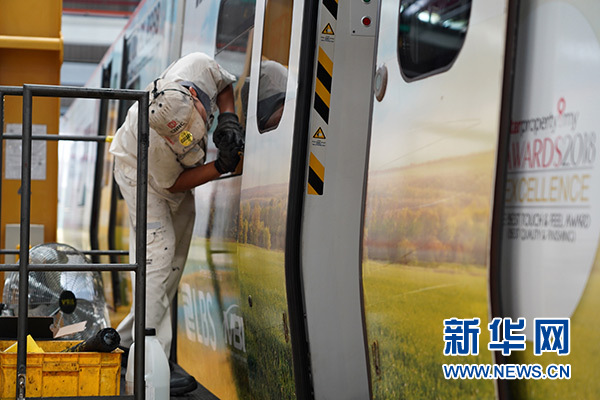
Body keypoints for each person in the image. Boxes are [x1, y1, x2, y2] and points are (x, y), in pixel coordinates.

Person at [109, 52, 244, 395]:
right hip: (139, 172)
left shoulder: (198, 66)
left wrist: (228, 118)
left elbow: (223, 83)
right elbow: (172, 184)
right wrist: (220, 167)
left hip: (169, 172)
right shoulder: (156, 139)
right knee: (159, 254)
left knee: (177, 256)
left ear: (193, 94)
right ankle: (149, 363)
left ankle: (125, 342)